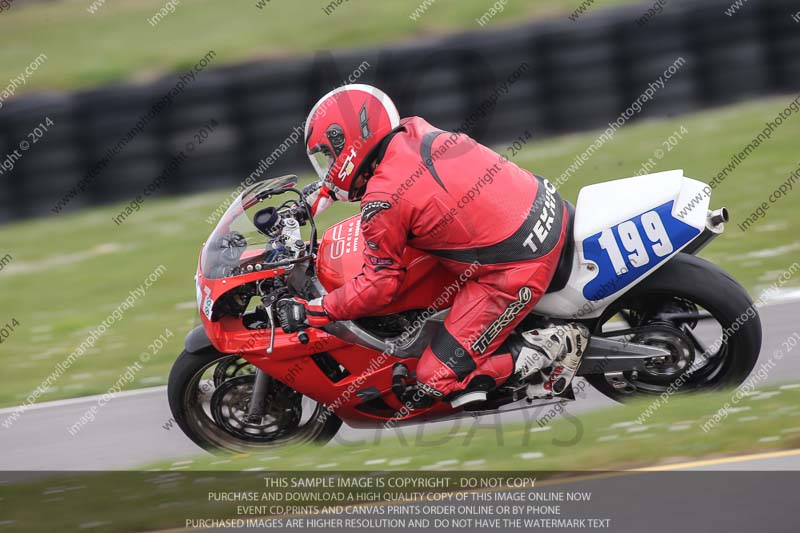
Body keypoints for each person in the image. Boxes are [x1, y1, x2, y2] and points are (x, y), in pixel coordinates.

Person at [282, 84, 588, 407]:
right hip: (544, 206)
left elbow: (379, 286)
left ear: (349, 145)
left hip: (519, 265)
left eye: (329, 156)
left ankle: (554, 344)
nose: (329, 167)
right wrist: (316, 199)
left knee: (433, 378)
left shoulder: (382, 201)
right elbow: (378, 182)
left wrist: (314, 310)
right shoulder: (412, 130)